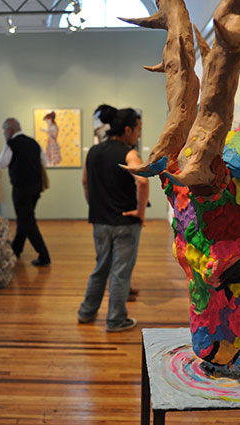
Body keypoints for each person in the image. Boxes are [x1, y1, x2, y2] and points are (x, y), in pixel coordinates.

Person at [78, 108, 149, 332]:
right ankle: (116, 319)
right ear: (127, 129)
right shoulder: (129, 154)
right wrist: (140, 212)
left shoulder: (93, 152)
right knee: (120, 272)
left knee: (101, 268)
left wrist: (96, 206)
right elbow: (143, 182)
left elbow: (85, 182)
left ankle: (86, 312)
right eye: (137, 130)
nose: (138, 135)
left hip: (100, 222)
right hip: (125, 225)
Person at [0, 118, 51, 266]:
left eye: (4, 130)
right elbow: (45, 161)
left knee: (27, 221)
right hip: (35, 189)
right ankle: (16, 250)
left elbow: (1, 163)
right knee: (24, 219)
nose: (3, 133)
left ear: (10, 130)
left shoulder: (11, 144)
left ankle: (44, 255)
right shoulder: (33, 142)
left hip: (21, 190)